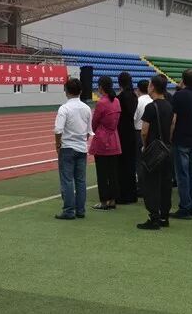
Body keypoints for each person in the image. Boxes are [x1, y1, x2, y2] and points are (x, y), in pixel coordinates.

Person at [137, 75, 175, 230]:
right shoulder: (169, 105)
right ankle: (164, 216)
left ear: (152, 87)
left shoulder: (151, 107)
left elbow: (144, 131)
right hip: (167, 149)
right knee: (166, 184)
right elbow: (172, 125)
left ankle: (154, 217)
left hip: (154, 150)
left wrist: (145, 146)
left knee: (151, 184)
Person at [54, 78, 93, 220]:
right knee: (81, 180)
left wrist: (57, 144)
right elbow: (89, 131)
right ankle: (80, 210)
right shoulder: (87, 108)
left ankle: (69, 210)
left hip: (67, 147)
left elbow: (58, 130)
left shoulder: (64, 108)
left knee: (67, 180)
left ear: (66, 91)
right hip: (82, 147)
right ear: (81, 91)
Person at [170, 69, 192, 220]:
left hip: (181, 138)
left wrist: (170, 137)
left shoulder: (178, 96)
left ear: (183, 80)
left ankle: (185, 206)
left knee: (182, 174)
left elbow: (174, 119)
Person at [90, 76, 121, 209]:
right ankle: (113, 200)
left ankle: (103, 201)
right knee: (113, 172)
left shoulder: (101, 102)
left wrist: (97, 130)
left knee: (102, 173)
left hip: (103, 139)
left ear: (101, 87)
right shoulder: (116, 101)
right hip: (114, 138)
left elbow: (94, 122)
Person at [115, 72, 139, 204]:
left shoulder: (120, 98)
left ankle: (123, 195)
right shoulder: (134, 96)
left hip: (121, 133)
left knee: (121, 165)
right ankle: (132, 194)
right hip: (131, 132)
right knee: (130, 165)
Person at [133, 79, 153, 194]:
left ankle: (141, 186)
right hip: (152, 132)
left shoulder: (138, 101)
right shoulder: (152, 100)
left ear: (138, 89)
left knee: (139, 160)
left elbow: (134, 118)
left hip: (139, 131)